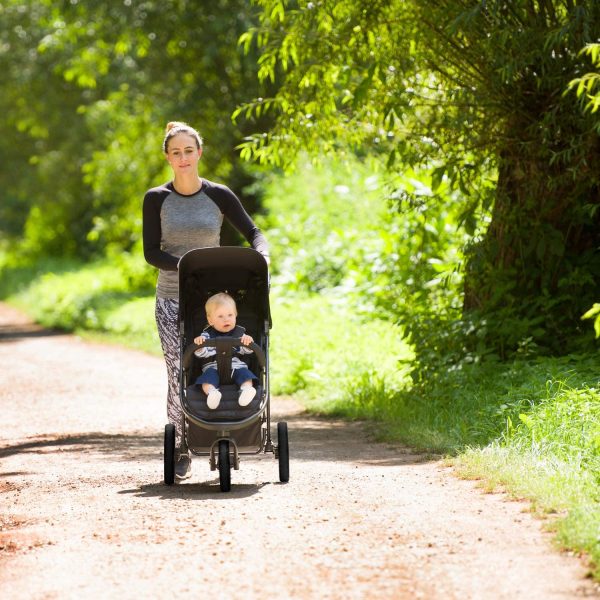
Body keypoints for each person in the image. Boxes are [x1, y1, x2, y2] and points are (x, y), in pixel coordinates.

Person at [142, 121, 269, 480]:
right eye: (175, 152)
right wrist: (185, 265)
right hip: (171, 298)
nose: (183, 158)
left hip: (212, 300)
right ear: (168, 157)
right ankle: (181, 446)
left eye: (188, 151)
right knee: (180, 370)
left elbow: (254, 232)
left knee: (228, 358)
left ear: (199, 153)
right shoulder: (156, 199)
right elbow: (152, 252)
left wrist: (263, 255)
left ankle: (225, 432)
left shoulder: (218, 194)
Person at [193, 292, 257, 410]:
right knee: (206, 379)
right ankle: (212, 394)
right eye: (220, 316)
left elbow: (246, 351)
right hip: (213, 368)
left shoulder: (240, 334)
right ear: (210, 320)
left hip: (236, 367)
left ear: (236, 315)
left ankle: (246, 391)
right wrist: (200, 346)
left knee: (246, 375)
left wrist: (248, 343)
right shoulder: (206, 335)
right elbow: (202, 353)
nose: (226, 319)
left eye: (230, 315)